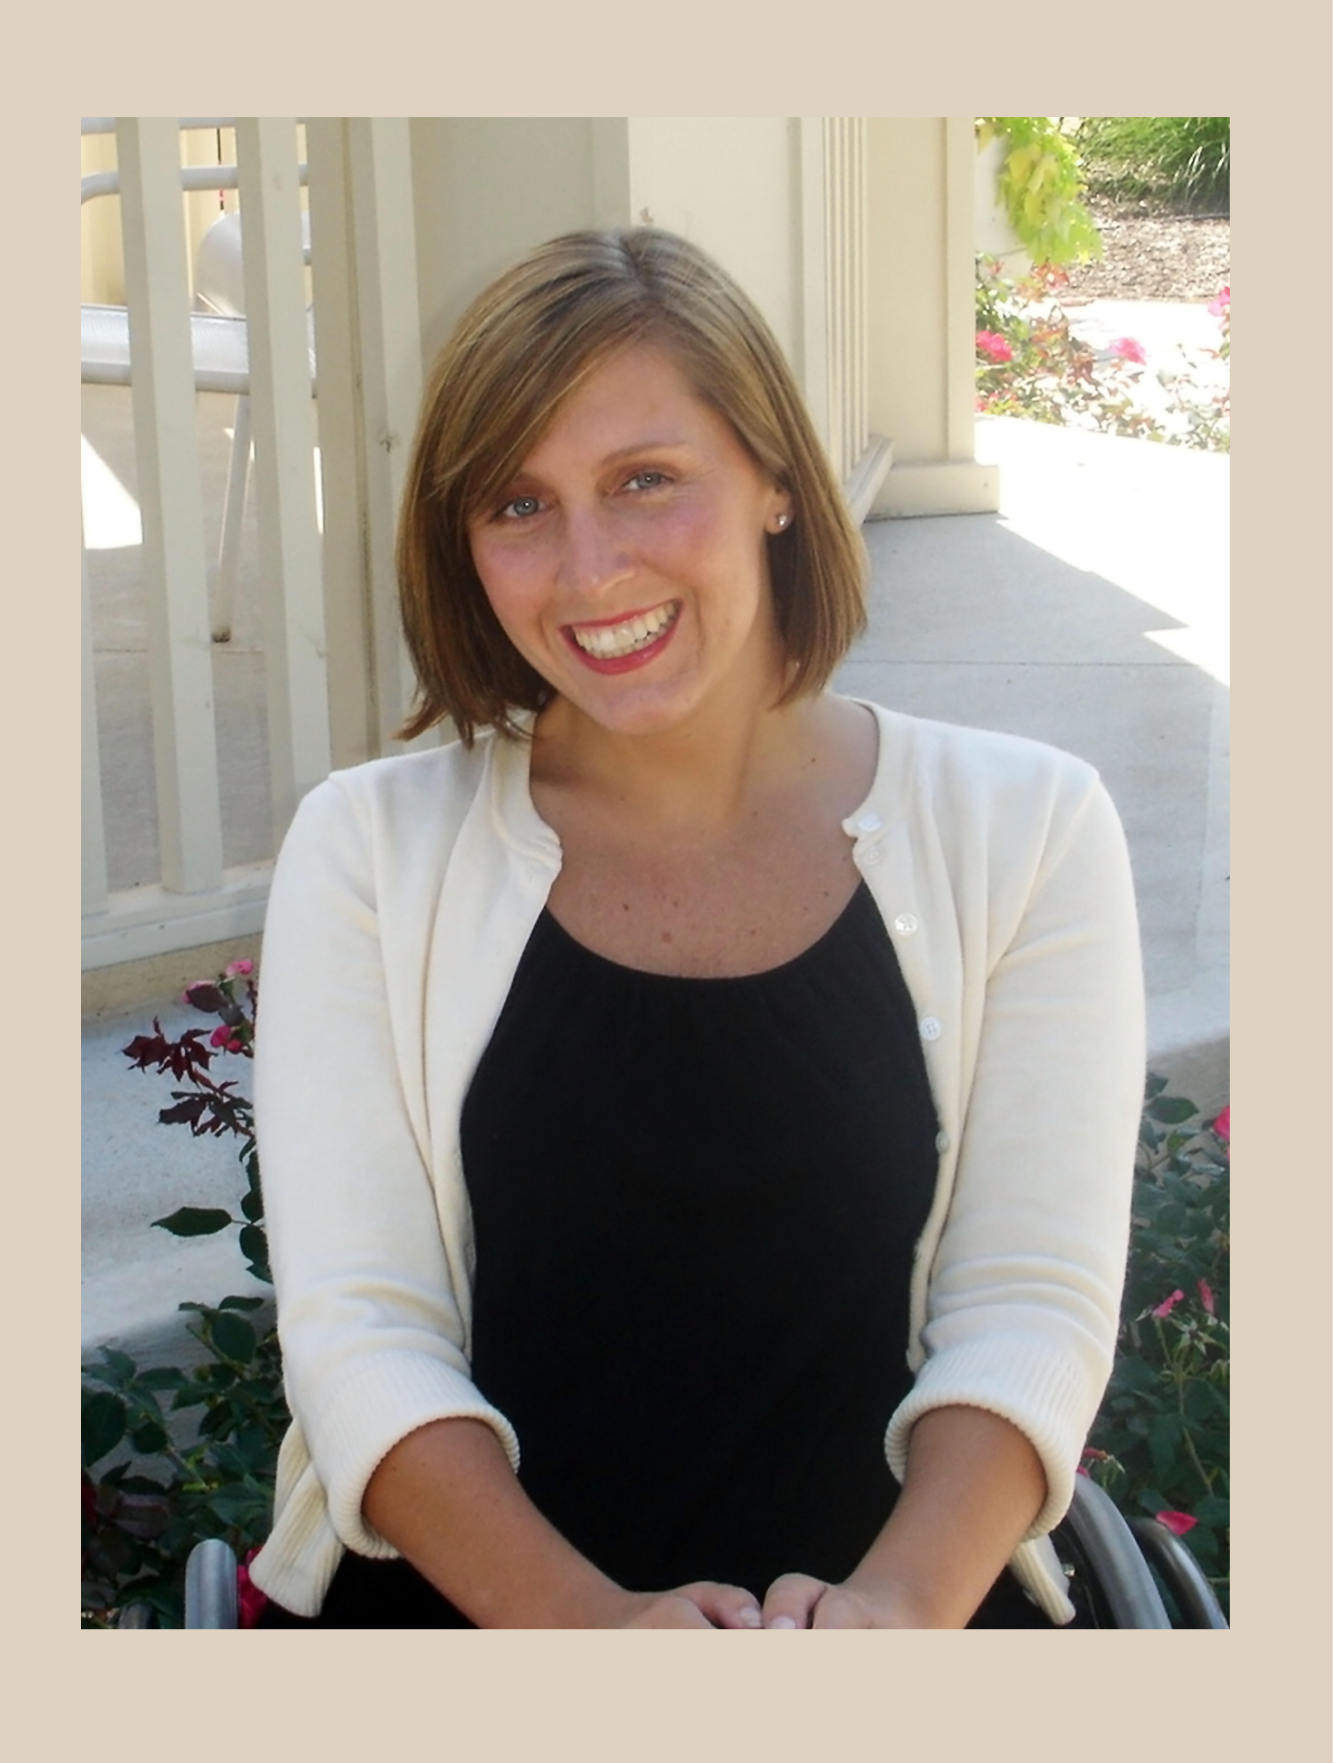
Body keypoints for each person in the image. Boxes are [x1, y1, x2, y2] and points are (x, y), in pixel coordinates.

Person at [249, 227, 1145, 1629]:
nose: (589, 566)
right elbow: (363, 1333)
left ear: (776, 478)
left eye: (645, 482)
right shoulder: (364, 855)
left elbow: (1030, 1306)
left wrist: (897, 1611)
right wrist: (598, 1635)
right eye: (517, 506)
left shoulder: (1028, 830)